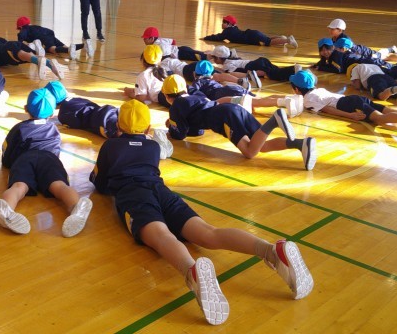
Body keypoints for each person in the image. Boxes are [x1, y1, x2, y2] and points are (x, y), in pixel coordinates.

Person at [90, 99, 314, 325]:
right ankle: (271, 251)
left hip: (134, 195)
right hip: (162, 192)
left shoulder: (110, 146)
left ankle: (191, 270)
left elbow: (99, 182)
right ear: (148, 128)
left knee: (161, 236)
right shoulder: (153, 147)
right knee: (209, 232)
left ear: (118, 125)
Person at [0, 88, 93, 237]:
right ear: (52, 114)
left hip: (25, 158)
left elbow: (7, 156)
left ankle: (7, 210)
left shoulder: (19, 128)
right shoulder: (53, 129)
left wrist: (10, 164)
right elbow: (56, 151)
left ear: (26, 108)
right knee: (59, 186)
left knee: (19, 186)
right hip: (49, 158)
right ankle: (76, 207)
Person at [162, 74, 317, 170]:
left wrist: (171, 126)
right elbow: (198, 130)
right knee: (261, 146)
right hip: (234, 110)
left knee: (250, 152)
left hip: (224, 117)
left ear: (167, 96)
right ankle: (301, 144)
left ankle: (274, 121)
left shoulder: (176, 106)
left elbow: (181, 135)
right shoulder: (196, 95)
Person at [45, 80, 173, 159]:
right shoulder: (75, 98)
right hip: (108, 110)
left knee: (122, 136)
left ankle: (151, 144)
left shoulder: (62, 114)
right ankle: (148, 137)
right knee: (133, 123)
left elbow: (75, 123)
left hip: (101, 121)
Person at [289, 70, 397, 139]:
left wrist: (350, 115)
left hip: (348, 104)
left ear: (297, 90)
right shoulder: (318, 90)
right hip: (354, 99)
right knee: (388, 111)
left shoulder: (307, 99)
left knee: (379, 119)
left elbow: (327, 109)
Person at [190, 60, 303, 118]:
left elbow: (192, 95)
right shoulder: (212, 79)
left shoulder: (198, 82)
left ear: (195, 73)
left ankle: (284, 101)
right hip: (231, 88)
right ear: (211, 74)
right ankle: (292, 97)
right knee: (259, 99)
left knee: (257, 102)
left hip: (224, 93)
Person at [210, 45, 303, 89]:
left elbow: (232, 73)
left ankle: (293, 69)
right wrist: (215, 68)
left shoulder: (227, 65)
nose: (213, 60)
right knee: (277, 70)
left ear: (218, 58)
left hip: (255, 66)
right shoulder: (231, 59)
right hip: (259, 61)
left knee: (275, 75)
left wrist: (252, 74)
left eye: (214, 58)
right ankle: (295, 71)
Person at [16, 16, 93, 61]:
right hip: (49, 33)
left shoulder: (24, 29)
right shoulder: (33, 27)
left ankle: (71, 48)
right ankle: (84, 45)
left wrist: (19, 43)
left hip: (43, 37)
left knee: (52, 49)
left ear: (20, 27)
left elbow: (21, 37)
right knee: (64, 47)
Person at [201, 15, 298, 48]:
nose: (222, 24)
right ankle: (282, 38)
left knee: (268, 42)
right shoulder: (234, 28)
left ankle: (288, 40)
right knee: (267, 39)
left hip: (252, 37)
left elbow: (217, 37)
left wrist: (205, 38)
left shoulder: (227, 32)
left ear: (229, 24)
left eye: (224, 22)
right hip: (252, 34)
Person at [142, 27, 212, 62]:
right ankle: (208, 53)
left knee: (199, 57)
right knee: (195, 53)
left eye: (145, 38)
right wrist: (173, 49)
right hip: (180, 49)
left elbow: (166, 55)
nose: (144, 40)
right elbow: (173, 41)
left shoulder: (157, 45)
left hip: (181, 53)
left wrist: (174, 54)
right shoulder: (161, 39)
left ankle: (212, 56)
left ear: (152, 38)